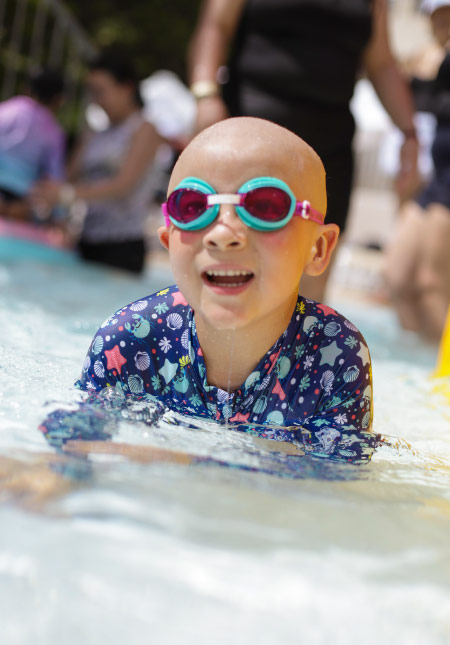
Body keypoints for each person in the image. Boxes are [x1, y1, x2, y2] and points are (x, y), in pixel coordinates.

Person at [42, 118, 380, 465]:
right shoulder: (129, 340)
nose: (222, 233)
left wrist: (186, 463)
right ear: (169, 242)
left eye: (266, 206)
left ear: (318, 249)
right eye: (193, 207)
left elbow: (333, 483)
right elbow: (71, 452)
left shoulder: (334, 353)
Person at [186, 0, 419, 302]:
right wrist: (205, 94)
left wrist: (409, 133)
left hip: (329, 147)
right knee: (231, 256)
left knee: (312, 269)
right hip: (250, 136)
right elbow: (215, 26)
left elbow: (381, 62)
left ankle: (301, 335)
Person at [32, 50, 160, 274]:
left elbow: (123, 186)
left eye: (101, 91)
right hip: (86, 240)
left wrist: (66, 194)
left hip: (123, 246)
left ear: (127, 87)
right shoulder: (94, 134)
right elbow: (67, 178)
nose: (96, 100)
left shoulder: (144, 130)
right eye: (92, 92)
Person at [383, 0, 450, 342]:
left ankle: (443, 364)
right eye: (436, 15)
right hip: (438, 176)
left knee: (430, 282)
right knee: (396, 276)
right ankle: (423, 362)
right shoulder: (435, 57)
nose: (441, 22)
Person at [0, 67, 65, 221]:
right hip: (21, 203)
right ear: (58, 99)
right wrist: (59, 216)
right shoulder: (54, 131)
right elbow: (54, 177)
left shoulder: (6, 110)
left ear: (27, 88)